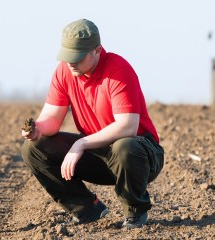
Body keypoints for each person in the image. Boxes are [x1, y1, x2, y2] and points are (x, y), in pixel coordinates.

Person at [21, 19, 164, 229]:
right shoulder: (65, 71)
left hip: (140, 155)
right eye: (67, 57)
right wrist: (38, 129)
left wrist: (80, 144)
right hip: (99, 152)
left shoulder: (118, 69)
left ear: (97, 51)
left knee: (125, 146)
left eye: (77, 57)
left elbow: (127, 127)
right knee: (33, 148)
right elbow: (52, 116)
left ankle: (135, 211)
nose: (71, 63)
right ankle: (87, 209)